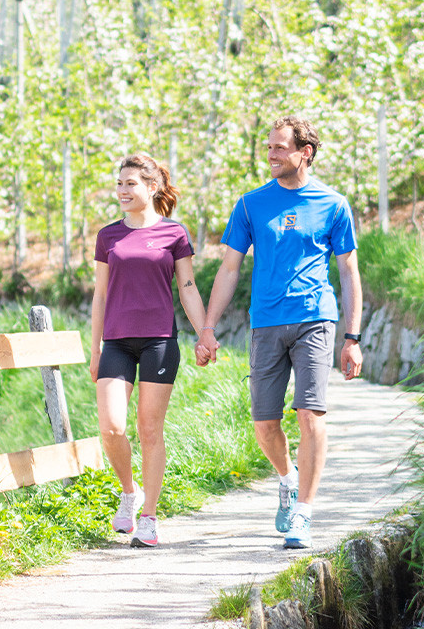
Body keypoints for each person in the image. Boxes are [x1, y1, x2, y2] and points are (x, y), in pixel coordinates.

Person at [196, 115, 363, 550]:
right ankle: (288, 479)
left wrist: (353, 337)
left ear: (305, 152)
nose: (271, 155)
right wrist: (208, 328)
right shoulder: (251, 204)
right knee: (265, 424)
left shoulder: (333, 204)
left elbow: (348, 272)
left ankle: (303, 512)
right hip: (266, 323)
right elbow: (229, 269)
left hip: (315, 318)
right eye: (268, 147)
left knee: (310, 414)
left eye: (279, 147)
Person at [91, 153, 209, 548]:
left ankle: (149, 518)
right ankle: (130, 492)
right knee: (112, 428)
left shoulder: (174, 233)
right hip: (116, 342)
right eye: (119, 184)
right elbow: (100, 295)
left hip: (159, 340)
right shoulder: (108, 236)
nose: (122, 191)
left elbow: (187, 288)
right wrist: (95, 349)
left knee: (149, 430)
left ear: (152, 187)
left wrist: (204, 333)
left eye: (131, 184)